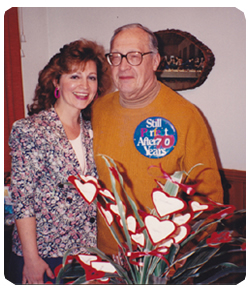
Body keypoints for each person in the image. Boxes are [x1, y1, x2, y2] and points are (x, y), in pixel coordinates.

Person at [92, 23, 224, 256]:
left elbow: (208, 197)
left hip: (160, 261)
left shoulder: (185, 115)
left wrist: (183, 254)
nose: (123, 66)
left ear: (155, 61)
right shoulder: (97, 110)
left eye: (134, 56)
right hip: (105, 255)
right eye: (116, 56)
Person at [8, 39, 112, 284]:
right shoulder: (30, 129)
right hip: (42, 257)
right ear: (57, 81)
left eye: (91, 78)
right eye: (75, 76)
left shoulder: (92, 130)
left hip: (83, 255)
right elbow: (23, 200)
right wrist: (32, 259)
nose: (84, 86)